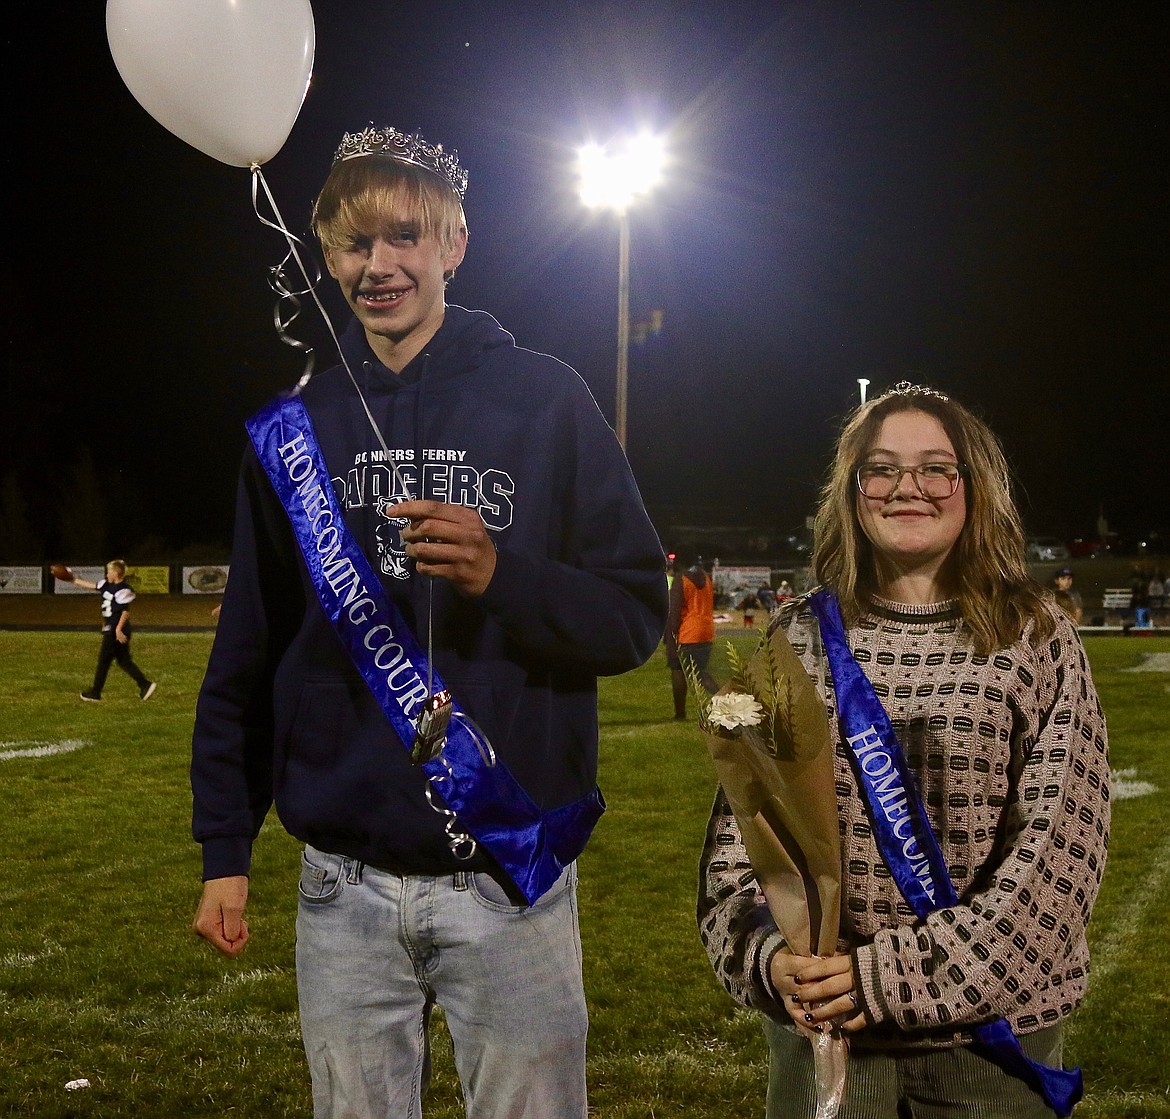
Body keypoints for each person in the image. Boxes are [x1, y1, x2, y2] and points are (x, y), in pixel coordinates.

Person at [190, 124, 667, 1119]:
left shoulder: (547, 399)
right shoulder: (297, 429)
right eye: (355, 246)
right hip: (342, 888)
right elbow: (247, 650)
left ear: (452, 244)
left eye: (405, 237)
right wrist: (225, 849)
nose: (380, 265)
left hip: (510, 875)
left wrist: (502, 572)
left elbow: (632, 618)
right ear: (325, 258)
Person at [697, 382, 1109, 1118]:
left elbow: (1059, 863)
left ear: (972, 485)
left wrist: (887, 976)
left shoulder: (1038, 637)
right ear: (853, 491)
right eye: (881, 469)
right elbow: (737, 845)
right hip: (826, 1034)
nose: (906, 488)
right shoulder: (794, 636)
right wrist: (769, 961)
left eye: (934, 468)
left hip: (990, 1040)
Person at [72, 559, 157, 702]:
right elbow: (90, 585)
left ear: (116, 573)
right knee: (124, 661)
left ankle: (95, 692)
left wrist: (118, 629)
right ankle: (145, 684)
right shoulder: (106, 585)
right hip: (112, 627)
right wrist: (72, 579)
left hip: (117, 629)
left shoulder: (124, 589)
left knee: (103, 661)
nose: (107, 574)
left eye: (109, 571)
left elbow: (125, 611)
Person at [664, 553, 718, 719]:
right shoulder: (707, 577)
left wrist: (669, 638)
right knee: (700, 671)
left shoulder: (682, 579)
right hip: (706, 631)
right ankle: (726, 702)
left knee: (679, 669)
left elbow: (674, 612)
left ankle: (681, 713)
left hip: (688, 632)